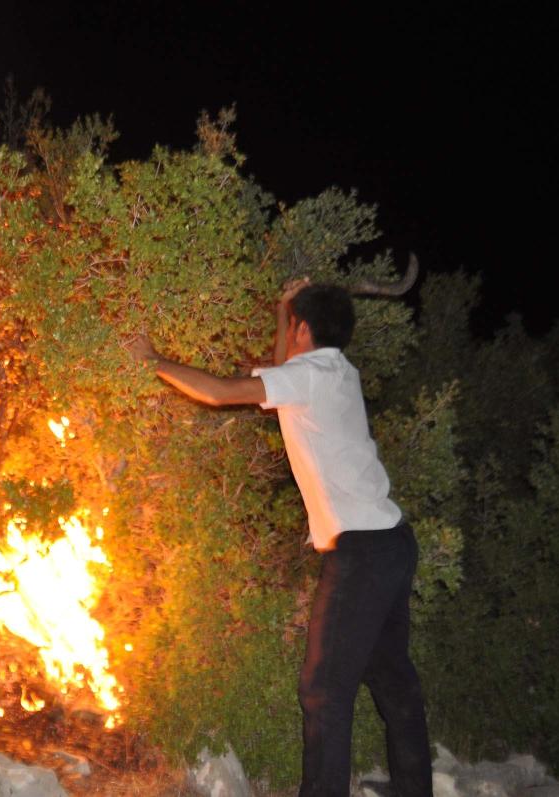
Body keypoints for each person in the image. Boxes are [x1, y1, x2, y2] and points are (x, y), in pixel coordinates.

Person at [129, 280, 432, 797]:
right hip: (392, 543)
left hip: (360, 555)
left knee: (323, 692)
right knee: (391, 676)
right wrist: (280, 312)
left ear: (305, 330)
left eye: (292, 327)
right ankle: (413, 788)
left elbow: (224, 392)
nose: (287, 336)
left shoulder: (310, 377)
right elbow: (278, 373)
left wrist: (154, 360)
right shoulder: (335, 371)